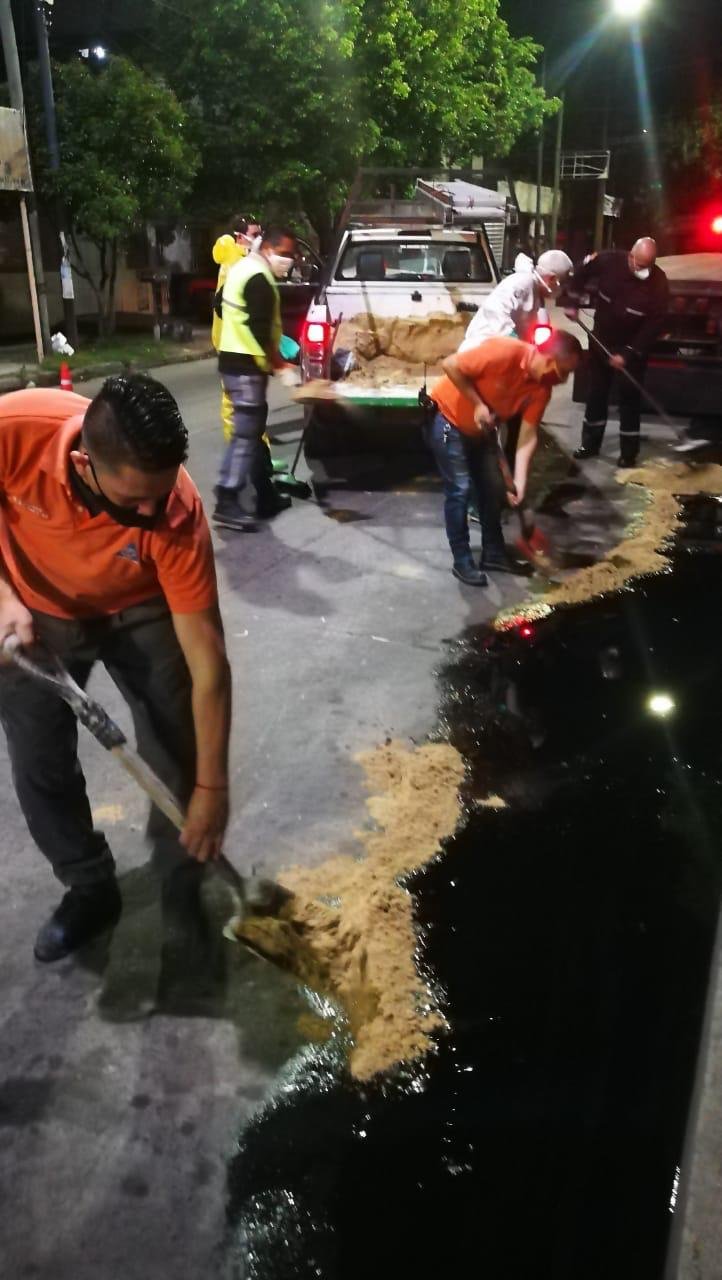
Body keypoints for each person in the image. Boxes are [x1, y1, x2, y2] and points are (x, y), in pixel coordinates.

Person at [0, 376, 231, 962]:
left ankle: (183, 885)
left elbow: (209, 665)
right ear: (84, 463)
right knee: (40, 762)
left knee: (177, 740)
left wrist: (212, 787)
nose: (153, 511)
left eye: (160, 495)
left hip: (141, 606)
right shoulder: (14, 432)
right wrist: (2, 596)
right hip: (35, 607)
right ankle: (89, 886)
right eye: (133, 502)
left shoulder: (175, 512)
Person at [427, 331, 583, 586]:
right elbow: (451, 364)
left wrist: (519, 482)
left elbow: (527, 436)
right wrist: (477, 403)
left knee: (493, 490)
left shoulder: (541, 390)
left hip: (483, 431)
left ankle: (494, 553)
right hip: (448, 421)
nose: (562, 380)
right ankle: (462, 560)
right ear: (548, 358)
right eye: (562, 371)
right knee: (460, 490)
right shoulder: (506, 351)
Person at [213, 226, 298, 532]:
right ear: (269, 248)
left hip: (235, 360)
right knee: (246, 435)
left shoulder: (242, 268)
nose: (289, 261)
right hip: (246, 365)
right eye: (285, 254)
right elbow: (261, 331)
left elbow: (219, 303)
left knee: (253, 430)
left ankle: (265, 495)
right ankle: (227, 498)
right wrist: (282, 367)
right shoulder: (259, 278)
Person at [566, 237, 670, 467]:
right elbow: (580, 274)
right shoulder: (609, 261)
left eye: (647, 266)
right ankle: (590, 444)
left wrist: (629, 353)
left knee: (629, 400)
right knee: (596, 393)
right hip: (601, 339)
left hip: (632, 346)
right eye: (638, 264)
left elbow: (655, 323)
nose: (641, 269)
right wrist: (572, 301)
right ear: (631, 256)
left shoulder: (658, 282)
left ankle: (628, 453)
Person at [459, 249, 573, 352]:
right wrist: (514, 340)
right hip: (482, 350)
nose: (561, 289)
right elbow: (496, 311)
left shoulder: (536, 294)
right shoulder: (522, 283)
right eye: (562, 283)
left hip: (502, 352)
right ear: (552, 279)